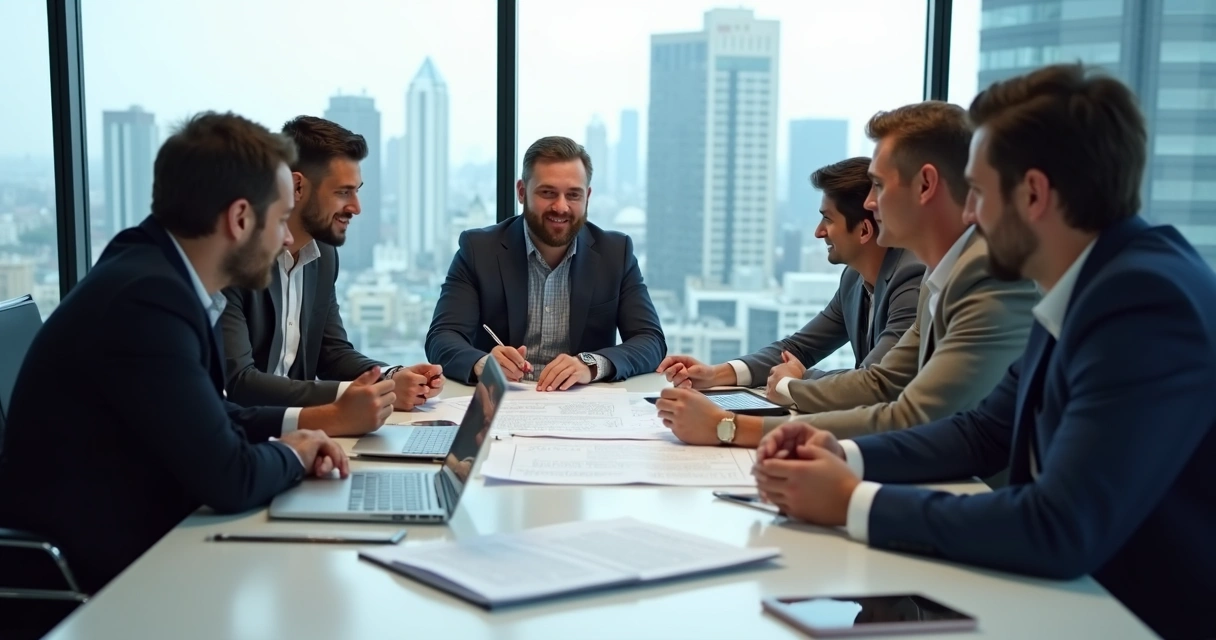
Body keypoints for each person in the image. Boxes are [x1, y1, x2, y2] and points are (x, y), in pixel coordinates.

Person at [752, 63, 1216, 639]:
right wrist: (841, 455)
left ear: (1034, 194)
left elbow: (1059, 525)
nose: (968, 216)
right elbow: (982, 431)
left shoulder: (1143, 301)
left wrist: (853, 503)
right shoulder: (1082, 281)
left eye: (977, 193)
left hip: (1130, 618)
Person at [0, 112, 365, 596]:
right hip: (100, 579)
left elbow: (213, 415)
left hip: (141, 540)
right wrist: (294, 455)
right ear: (239, 219)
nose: (285, 238)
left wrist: (300, 429)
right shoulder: (148, 300)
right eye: (279, 220)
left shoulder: (153, 270)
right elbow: (229, 476)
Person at [658, 101, 1037, 445]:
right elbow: (877, 378)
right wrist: (721, 376)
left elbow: (900, 407)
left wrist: (731, 426)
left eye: (878, 185)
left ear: (925, 185)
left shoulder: (977, 277)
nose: (871, 203)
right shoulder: (938, 278)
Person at [220, 116, 442, 436]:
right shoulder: (236, 257)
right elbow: (239, 382)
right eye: (343, 192)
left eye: (357, 192)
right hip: (244, 437)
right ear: (296, 187)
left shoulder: (323, 255)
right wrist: (351, 399)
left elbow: (332, 352)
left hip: (304, 435)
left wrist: (391, 377)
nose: (356, 207)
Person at [656, 157, 924, 399]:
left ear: (864, 230)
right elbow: (799, 348)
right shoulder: (854, 279)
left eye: (827, 220)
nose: (819, 233)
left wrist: (799, 379)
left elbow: (873, 379)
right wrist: (715, 374)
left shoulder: (911, 280)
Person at [426, 135, 666, 390]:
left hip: (584, 406)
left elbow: (650, 341)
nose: (561, 207)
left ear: (588, 197)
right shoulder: (478, 250)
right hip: (502, 400)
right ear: (522, 192)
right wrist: (483, 363)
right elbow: (442, 338)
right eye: (548, 193)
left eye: (573, 195)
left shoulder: (615, 253)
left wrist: (591, 364)